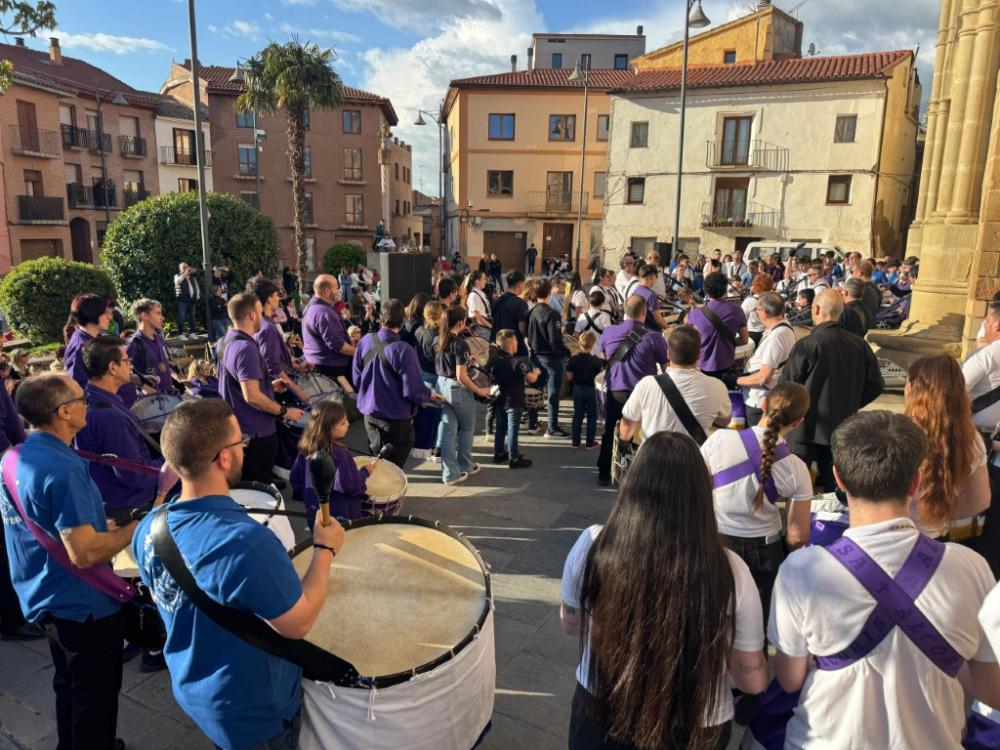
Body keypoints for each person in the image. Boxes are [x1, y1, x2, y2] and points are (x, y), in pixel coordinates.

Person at [769, 410, 999, 750]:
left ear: (838, 479)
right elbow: (991, 688)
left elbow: (789, 680)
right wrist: (946, 655)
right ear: (916, 484)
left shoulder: (802, 570)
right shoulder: (971, 567)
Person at [132, 398, 345, 750]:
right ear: (224, 458)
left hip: (196, 689)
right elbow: (298, 623)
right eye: (240, 441)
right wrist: (325, 549)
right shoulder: (245, 542)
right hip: (254, 709)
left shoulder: (150, 528)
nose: (244, 447)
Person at [561, 431, 767, 750]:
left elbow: (572, 624)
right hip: (697, 726)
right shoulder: (732, 570)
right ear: (702, 491)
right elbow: (750, 678)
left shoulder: (592, 544)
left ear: (632, 483)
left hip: (600, 711)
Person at [3, 374, 138, 750]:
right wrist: (136, 529)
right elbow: (85, 553)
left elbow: (37, 521)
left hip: (42, 595)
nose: (86, 406)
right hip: (83, 605)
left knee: (69, 685)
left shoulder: (14, 456)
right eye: (82, 400)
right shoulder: (64, 470)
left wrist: (98, 523)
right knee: (95, 696)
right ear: (64, 412)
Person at [701, 381, 812, 622]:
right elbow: (798, 535)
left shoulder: (719, 440)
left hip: (717, 543)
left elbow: (697, 490)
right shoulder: (797, 469)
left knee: (712, 621)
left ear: (763, 404)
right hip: (765, 552)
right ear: (798, 422)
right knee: (754, 627)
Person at [779, 289, 883, 491]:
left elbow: (787, 386)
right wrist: (851, 401)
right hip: (841, 425)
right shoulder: (859, 345)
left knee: (797, 487)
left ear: (816, 309)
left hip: (803, 427)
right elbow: (875, 385)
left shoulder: (808, 344)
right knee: (834, 488)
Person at [907, 356, 994, 571]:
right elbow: (980, 502)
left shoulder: (900, 434)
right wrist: (939, 512)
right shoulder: (970, 438)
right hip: (938, 541)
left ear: (911, 388)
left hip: (898, 541)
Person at [218, 293, 304, 483]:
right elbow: (252, 397)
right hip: (255, 432)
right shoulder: (245, 348)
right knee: (255, 492)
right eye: (260, 311)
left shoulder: (224, 342)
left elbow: (239, 385)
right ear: (252, 315)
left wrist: (269, 387)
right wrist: (284, 411)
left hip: (238, 428)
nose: (264, 316)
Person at [353, 299, 436, 469]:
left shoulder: (365, 340)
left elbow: (356, 379)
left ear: (380, 318)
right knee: (392, 471)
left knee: (375, 464)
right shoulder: (404, 350)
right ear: (403, 320)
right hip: (395, 420)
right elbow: (413, 391)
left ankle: (375, 494)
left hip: (369, 416)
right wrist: (429, 394)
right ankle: (387, 496)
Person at [594, 296, 668, 485]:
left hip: (616, 391)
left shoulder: (609, 331)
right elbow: (667, 368)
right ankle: (640, 474)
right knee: (643, 434)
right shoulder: (654, 337)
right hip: (643, 394)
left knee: (611, 431)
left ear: (624, 311)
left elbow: (605, 357)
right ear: (644, 312)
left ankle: (605, 471)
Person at [619, 325, 731, 444]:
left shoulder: (646, 384)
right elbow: (724, 421)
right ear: (699, 355)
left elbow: (626, 428)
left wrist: (624, 442)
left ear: (668, 353)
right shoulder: (717, 386)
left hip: (652, 459)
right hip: (693, 459)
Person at [291, 400, 378, 526]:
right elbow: (351, 486)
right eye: (343, 423)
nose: (348, 424)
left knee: (321, 540)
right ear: (328, 428)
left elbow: (295, 480)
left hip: (316, 514)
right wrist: (365, 472)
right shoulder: (339, 455)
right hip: (340, 515)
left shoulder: (305, 450)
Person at [436, 307, 491, 485]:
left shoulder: (438, 339)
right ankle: (465, 464)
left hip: (441, 385)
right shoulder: (460, 344)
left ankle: (450, 473)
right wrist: (479, 390)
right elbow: (461, 376)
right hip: (457, 388)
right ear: (461, 323)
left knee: (448, 430)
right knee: (467, 428)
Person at [737, 292, 798, 426]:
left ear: (764, 312)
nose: (757, 313)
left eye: (757, 310)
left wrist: (738, 380)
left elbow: (764, 377)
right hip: (763, 396)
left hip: (760, 400)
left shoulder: (777, 336)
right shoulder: (781, 328)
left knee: (757, 442)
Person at [251, 279, 311, 407]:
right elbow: (272, 366)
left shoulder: (261, 322)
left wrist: (293, 363)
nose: (279, 299)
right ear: (268, 299)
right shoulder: (267, 328)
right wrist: (298, 391)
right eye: (277, 295)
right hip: (280, 390)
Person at [527, 278, 571, 438]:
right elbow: (555, 340)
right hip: (551, 358)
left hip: (536, 356)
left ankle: (533, 423)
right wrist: (566, 351)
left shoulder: (532, 312)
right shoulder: (553, 314)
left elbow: (529, 334)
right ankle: (552, 427)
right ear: (549, 293)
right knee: (552, 393)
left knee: (536, 391)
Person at [687, 271, 748, 385]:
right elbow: (744, 339)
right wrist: (727, 343)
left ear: (706, 290)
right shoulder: (737, 310)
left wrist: (692, 308)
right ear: (725, 288)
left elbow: (688, 332)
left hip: (702, 366)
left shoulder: (696, 313)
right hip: (727, 365)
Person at [489, 329, 539, 468]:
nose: (518, 343)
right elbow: (531, 379)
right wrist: (536, 371)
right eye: (516, 341)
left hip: (499, 400)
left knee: (500, 428)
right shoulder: (517, 362)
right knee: (512, 430)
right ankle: (514, 458)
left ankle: (498, 454)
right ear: (510, 345)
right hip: (514, 401)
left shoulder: (494, 360)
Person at [302, 274, 356, 385]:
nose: (339, 291)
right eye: (336, 288)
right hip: (330, 369)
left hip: (318, 365)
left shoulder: (310, 306)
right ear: (327, 291)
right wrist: (359, 352)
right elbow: (338, 345)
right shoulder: (324, 312)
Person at [963, 299, 1000, 434]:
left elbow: (955, 391)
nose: (984, 325)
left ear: (997, 325)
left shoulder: (985, 356)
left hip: (975, 435)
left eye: (988, 321)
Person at [126, 299, 174, 398]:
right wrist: (142, 386)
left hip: (169, 396)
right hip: (150, 403)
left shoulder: (160, 339)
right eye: (158, 313)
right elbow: (123, 375)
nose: (162, 318)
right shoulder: (133, 344)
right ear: (144, 316)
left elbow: (165, 367)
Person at [63, 294, 112, 389]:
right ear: (92, 314)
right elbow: (77, 387)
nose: (109, 317)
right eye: (105, 313)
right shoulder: (81, 347)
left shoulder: (94, 338)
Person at [566, 330, 603, 450]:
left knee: (578, 415)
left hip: (578, 388)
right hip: (592, 389)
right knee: (592, 416)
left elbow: (569, 376)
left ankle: (575, 442)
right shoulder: (597, 361)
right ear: (593, 345)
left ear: (579, 343)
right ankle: (590, 442)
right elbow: (600, 378)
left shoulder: (573, 359)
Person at [491, 270, 530, 355]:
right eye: (523, 284)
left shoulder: (497, 301)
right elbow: (522, 329)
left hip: (497, 345)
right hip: (513, 349)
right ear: (520, 284)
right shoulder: (521, 303)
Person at [626, 263, 669, 331]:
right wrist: (669, 329)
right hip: (652, 332)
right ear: (652, 277)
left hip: (640, 331)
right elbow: (658, 320)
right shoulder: (651, 295)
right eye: (656, 277)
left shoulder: (636, 291)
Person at [742, 274, 774, 346]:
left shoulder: (749, 301)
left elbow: (741, 319)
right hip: (767, 333)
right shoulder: (772, 300)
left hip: (752, 334)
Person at [173, 262, 201, 340]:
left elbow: (197, 288)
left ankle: (192, 333)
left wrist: (197, 297)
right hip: (182, 300)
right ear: (180, 269)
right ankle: (180, 333)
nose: (186, 268)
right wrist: (185, 274)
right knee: (182, 317)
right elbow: (177, 282)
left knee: (192, 317)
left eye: (186, 267)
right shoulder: (177, 276)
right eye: (184, 267)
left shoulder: (192, 278)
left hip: (192, 301)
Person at [464, 271, 493, 339]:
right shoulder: (473, 295)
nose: (485, 281)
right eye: (484, 279)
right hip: (481, 329)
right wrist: (491, 327)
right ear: (477, 281)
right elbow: (478, 317)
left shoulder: (479, 293)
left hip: (484, 328)